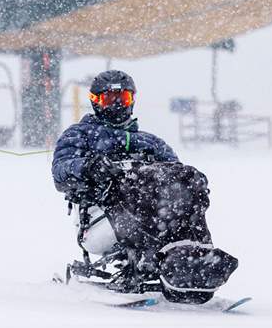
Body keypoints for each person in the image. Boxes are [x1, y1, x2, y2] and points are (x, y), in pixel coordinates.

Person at [52, 70, 237, 302]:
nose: (118, 105)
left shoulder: (151, 142)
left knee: (188, 178)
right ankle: (154, 261)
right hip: (102, 216)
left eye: (124, 99)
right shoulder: (81, 135)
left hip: (155, 216)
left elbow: (176, 175)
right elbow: (61, 170)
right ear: (95, 101)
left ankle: (195, 254)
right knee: (140, 180)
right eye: (110, 99)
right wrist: (90, 167)